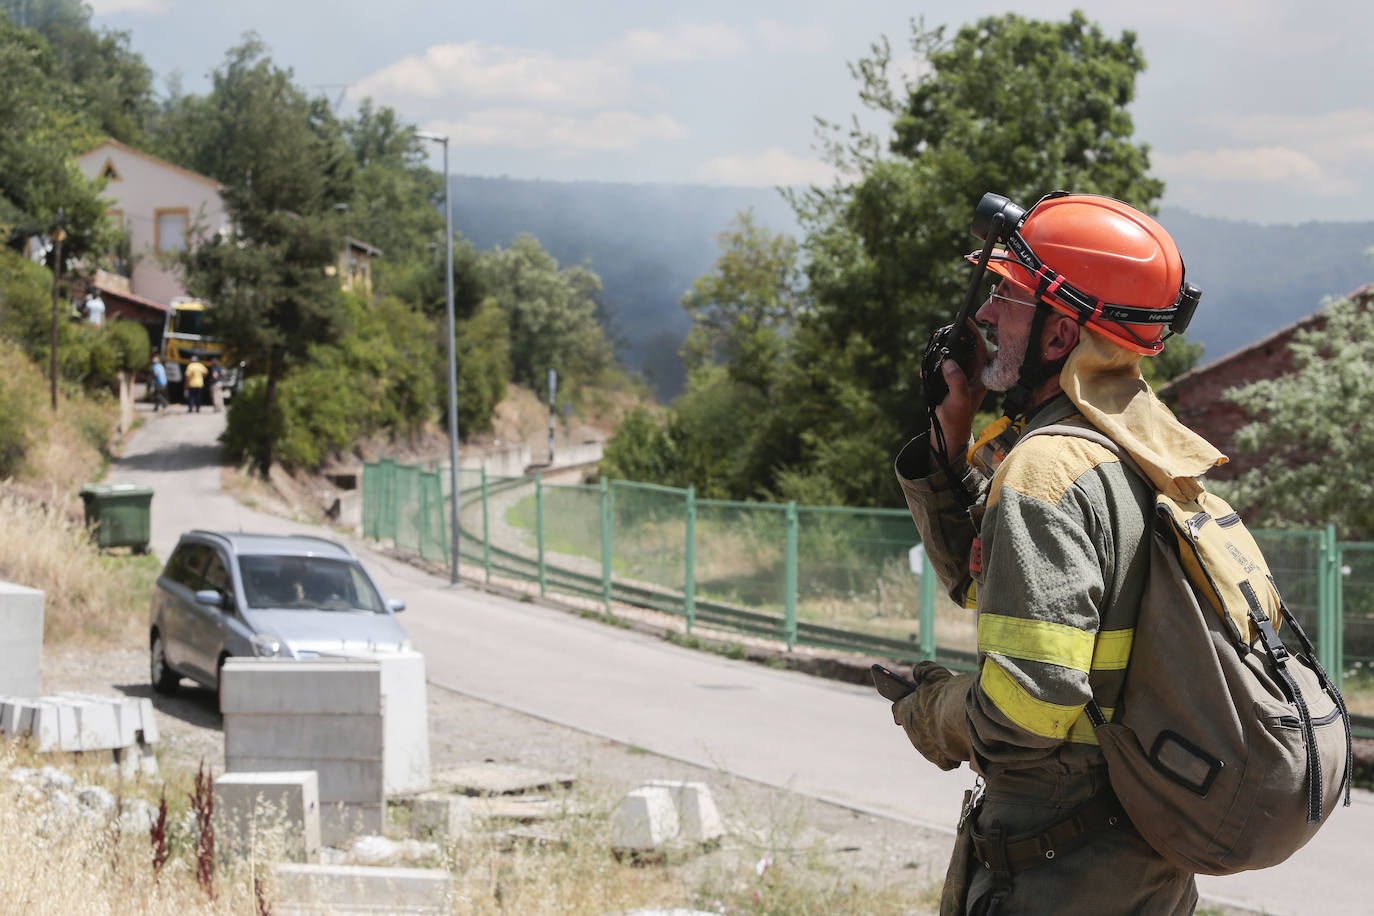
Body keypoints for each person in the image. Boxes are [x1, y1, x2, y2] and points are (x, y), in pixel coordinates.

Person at [890, 194, 1223, 915]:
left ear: (1057, 333)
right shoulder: (1141, 450)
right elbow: (995, 586)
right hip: (1140, 854)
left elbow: (1028, 712)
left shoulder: (1046, 471)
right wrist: (952, 438)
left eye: (1006, 297)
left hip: (1062, 867)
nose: (982, 318)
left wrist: (933, 709)